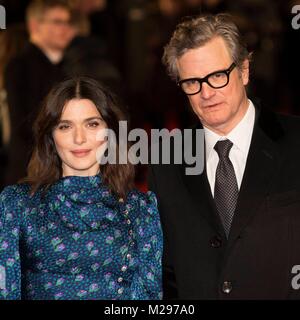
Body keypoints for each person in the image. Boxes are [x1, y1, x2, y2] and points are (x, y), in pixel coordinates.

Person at [148, 13, 300, 299]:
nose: (206, 93)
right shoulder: (166, 160)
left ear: (243, 71)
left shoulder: (295, 141)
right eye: (192, 82)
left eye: (217, 76)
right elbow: (165, 270)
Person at [0, 77, 162, 300]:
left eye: (92, 124)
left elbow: (148, 296)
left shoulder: (140, 209)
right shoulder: (17, 204)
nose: (79, 138)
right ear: (50, 136)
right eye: (65, 126)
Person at [4, 0, 75, 185]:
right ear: (35, 25)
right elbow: (25, 123)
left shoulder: (65, 67)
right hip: (32, 171)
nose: (65, 28)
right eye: (58, 22)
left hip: (55, 169)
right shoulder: (20, 66)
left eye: (68, 22)